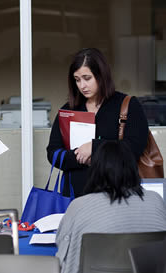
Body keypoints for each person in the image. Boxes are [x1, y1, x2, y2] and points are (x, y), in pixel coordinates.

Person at [47, 48, 149, 197]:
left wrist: (95, 148)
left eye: (87, 78)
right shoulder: (69, 109)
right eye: (77, 79)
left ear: (101, 75)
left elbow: (134, 148)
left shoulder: (127, 105)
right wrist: (80, 156)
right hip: (76, 196)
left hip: (118, 195)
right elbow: (53, 153)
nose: (82, 85)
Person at [55, 140, 166, 273]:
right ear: (132, 168)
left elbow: (63, 255)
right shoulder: (156, 200)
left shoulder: (78, 206)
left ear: (95, 170)